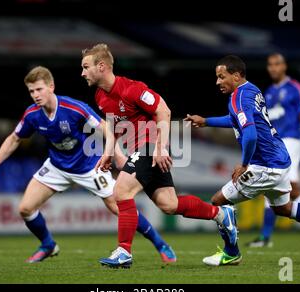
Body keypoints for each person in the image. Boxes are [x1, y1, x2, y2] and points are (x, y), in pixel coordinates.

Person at [0, 66, 177, 263]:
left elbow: (105, 128)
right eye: (31, 91)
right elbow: (14, 138)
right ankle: (48, 245)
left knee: (119, 206)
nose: (35, 95)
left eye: (39, 89)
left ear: (51, 87)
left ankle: (160, 243)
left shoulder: (73, 108)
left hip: (88, 166)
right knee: (25, 208)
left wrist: (116, 154)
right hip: (57, 166)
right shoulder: (32, 114)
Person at [184, 55, 300, 266]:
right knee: (283, 209)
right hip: (280, 159)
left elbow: (251, 134)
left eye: (221, 77)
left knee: (219, 201)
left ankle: (231, 253)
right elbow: (236, 119)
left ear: (236, 76)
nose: (218, 82)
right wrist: (206, 121)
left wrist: (245, 164)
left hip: (265, 164)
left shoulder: (239, 97)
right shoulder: (252, 90)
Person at [81, 43, 237, 269]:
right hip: (140, 149)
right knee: (169, 204)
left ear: (102, 66)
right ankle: (221, 214)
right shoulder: (100, 96)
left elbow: (163, 110)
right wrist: (108, 153)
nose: (82, 73)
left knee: (121, 191)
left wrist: (160, 147)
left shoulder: (132, 89)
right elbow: (114, 125)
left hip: (151, 145)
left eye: (86, 67)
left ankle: (123, 251)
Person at [246, 53, 300, 248]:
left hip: (292, 140)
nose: (273, 68)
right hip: (275, 144)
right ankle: (265, 237)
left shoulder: (297, 89)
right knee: (270, 185)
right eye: (270, 65)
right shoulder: (267, 92)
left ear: (284, 66)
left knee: (292, 187)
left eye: (277, 64)